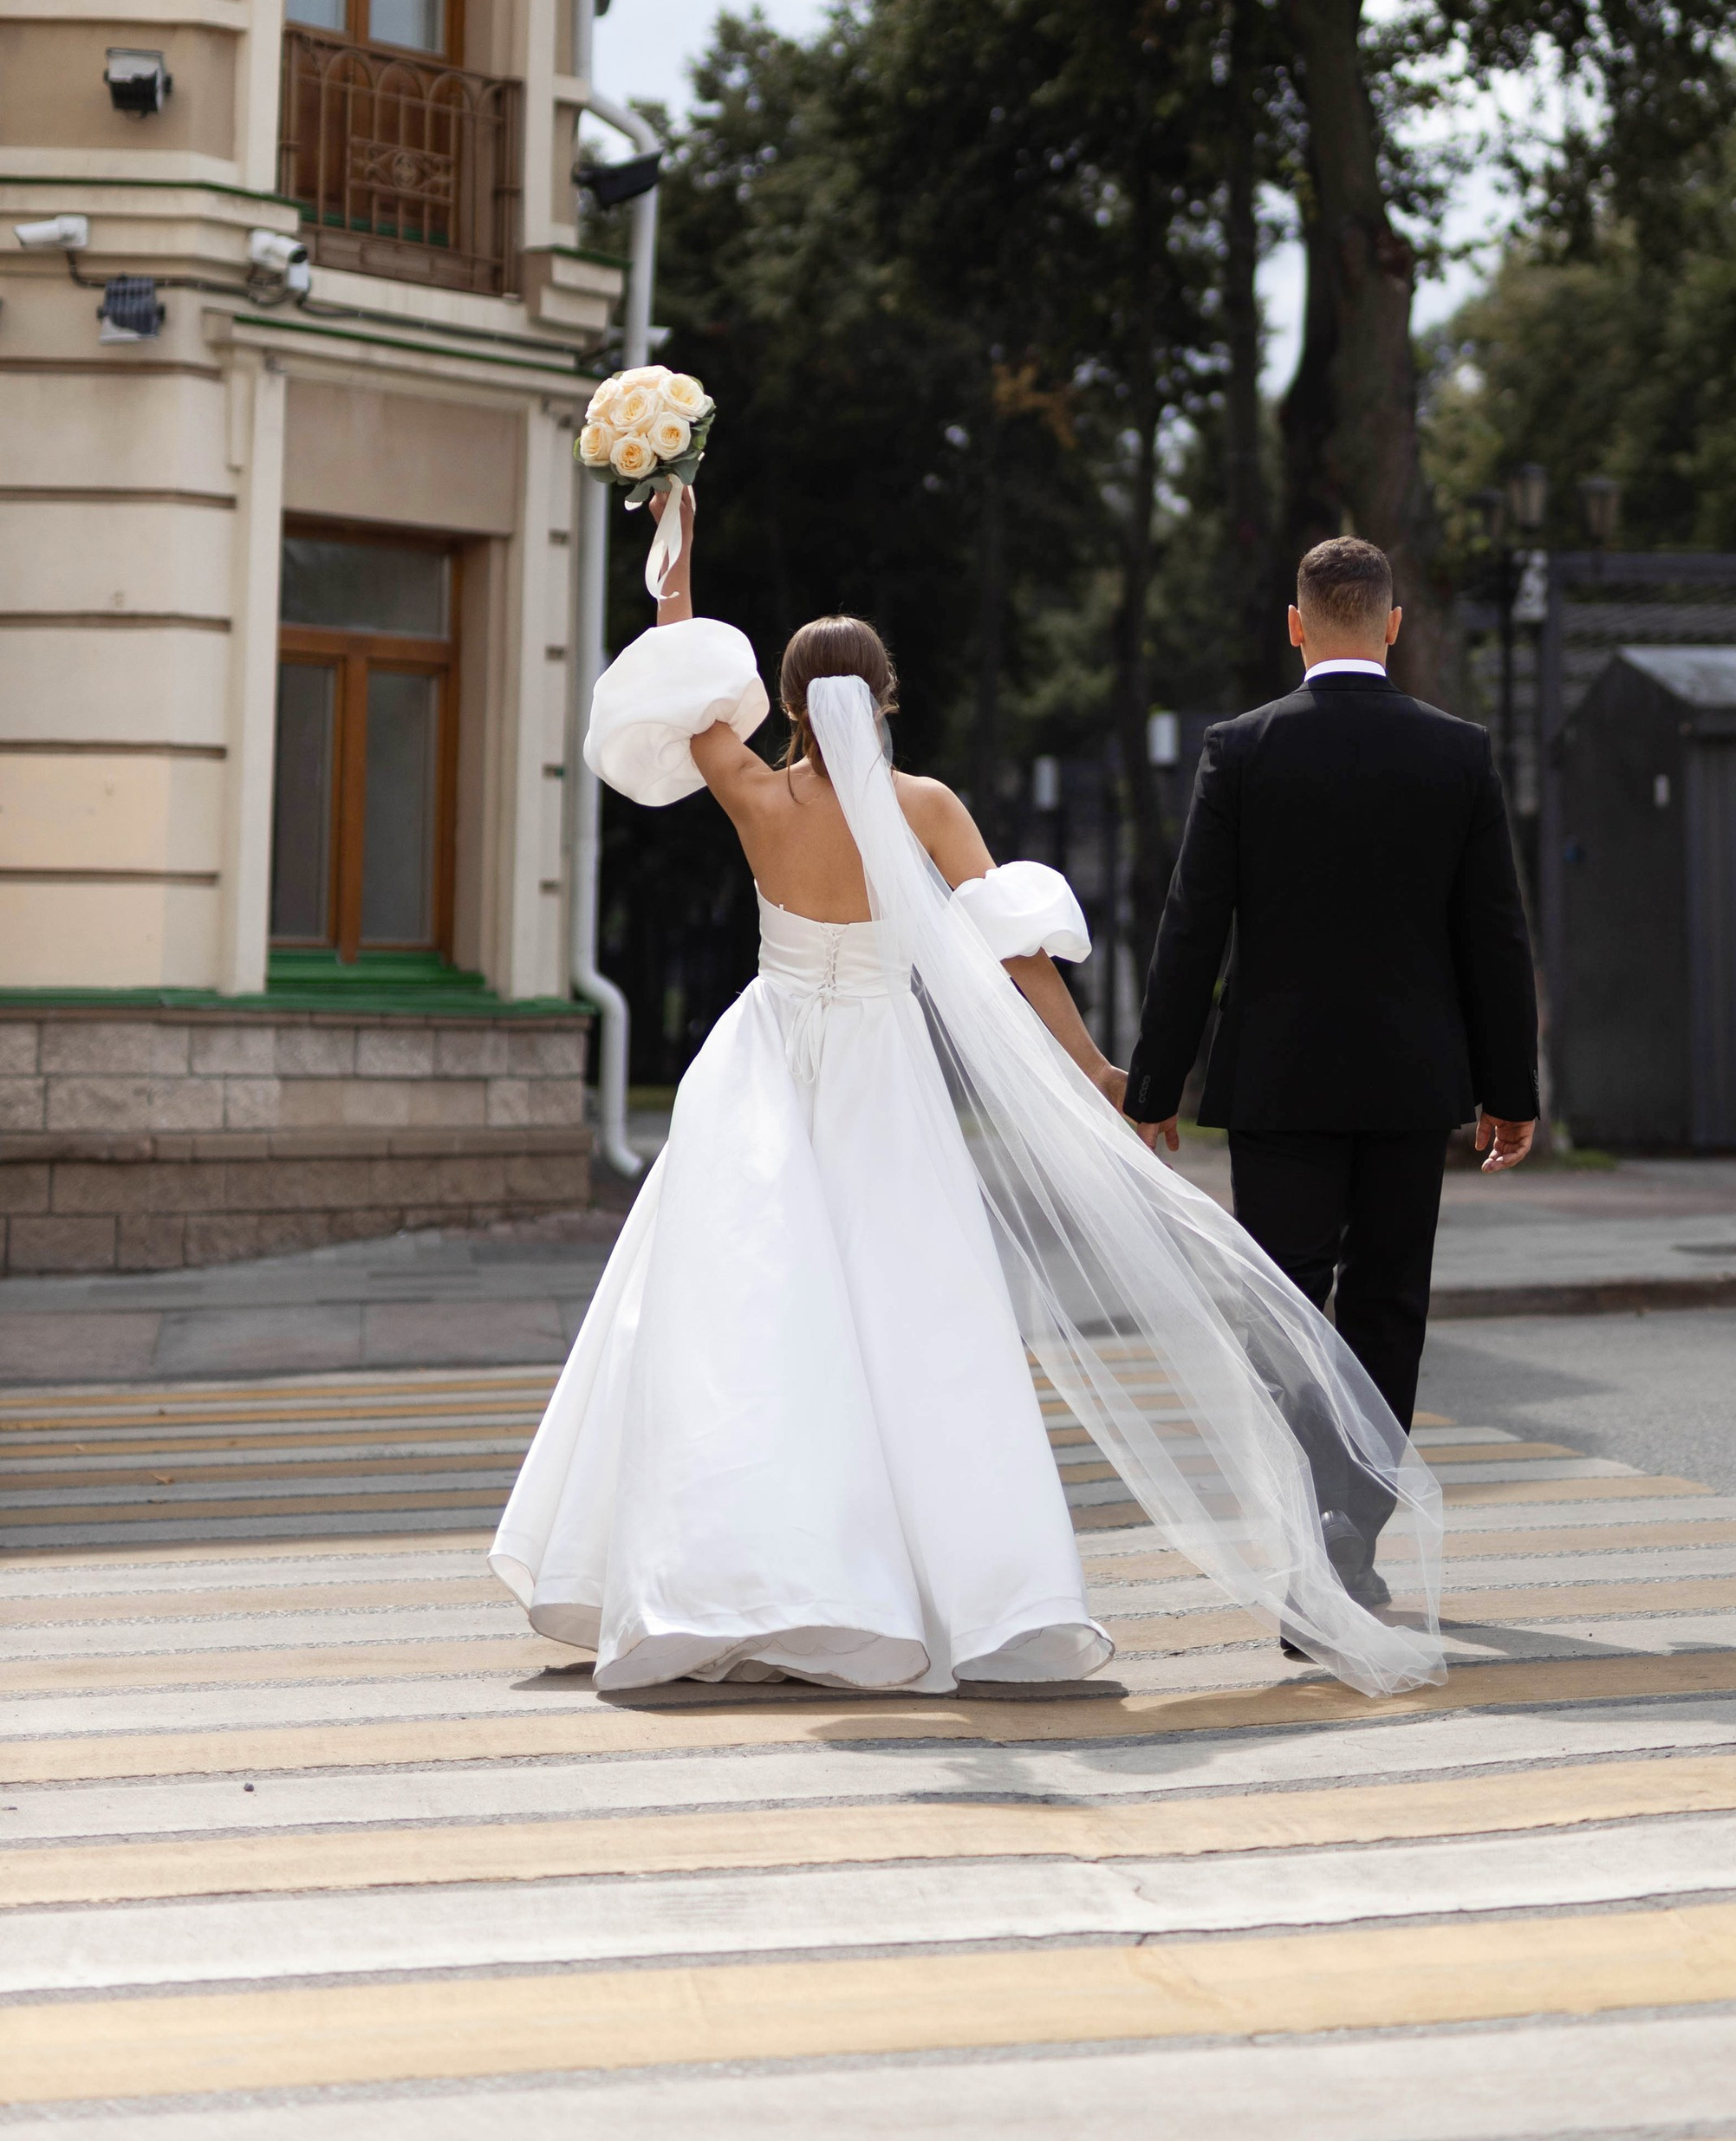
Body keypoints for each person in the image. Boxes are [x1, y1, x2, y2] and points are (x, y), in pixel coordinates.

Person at [491, 493, 1447, 1700]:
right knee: (919, 1328)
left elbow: (688, 691)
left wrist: (674, 571)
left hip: (768, 1068)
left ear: (785, 706)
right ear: (887, 700)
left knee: (739, 1320)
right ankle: (955, 1590)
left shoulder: (753, 794)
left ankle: (732, 1580)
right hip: (884, 1072)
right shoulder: (926, 809)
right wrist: (1098, 1071)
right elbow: (1011, 950)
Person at [1123, 536, 1539, 1630]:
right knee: (1388, 1309)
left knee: (1285, 1312)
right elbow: (1493, 933)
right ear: (1393, 625)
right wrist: (1511, 1089)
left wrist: (1154, 1082)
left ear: (1297, 623)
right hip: (1412, 1084)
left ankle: (1313, 1529)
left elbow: (1192, 924)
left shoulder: (1243, 750)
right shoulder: (1457, 754)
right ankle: (1352, 1526)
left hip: (1279, 1084)